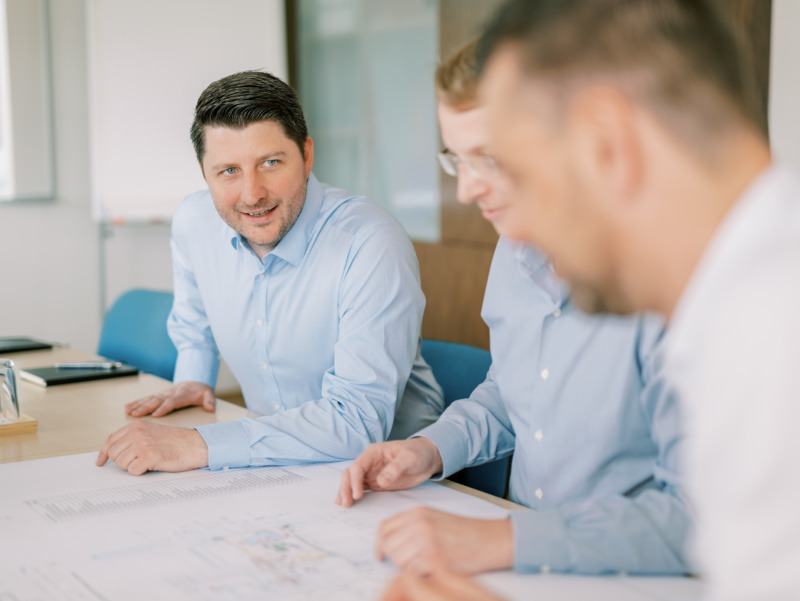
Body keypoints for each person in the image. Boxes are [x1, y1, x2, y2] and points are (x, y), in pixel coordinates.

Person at [383, 0, 800, 599]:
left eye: (511, 160)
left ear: (607, 141)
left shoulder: (767, 329)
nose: (474, 191)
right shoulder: (731, 294)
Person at [337, 40, 691, 578]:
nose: (467, 190)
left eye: (491, 158)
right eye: (458, 159)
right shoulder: (515, 246)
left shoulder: (681, 284)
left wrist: (506, 539)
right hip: (522, 563)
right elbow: (513, 396)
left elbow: (696, 516)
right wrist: (428, 450)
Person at [96, 71, 444, 476]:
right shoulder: (195, 221)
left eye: (271, 163)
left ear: (307, 155)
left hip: (389, 477)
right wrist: (194, 378)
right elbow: (194, 322)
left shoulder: (369, 243)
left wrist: (202, 443)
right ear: (204, 171)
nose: (252, 194)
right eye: (228, 171)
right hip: (271, 466)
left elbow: (356, 423)